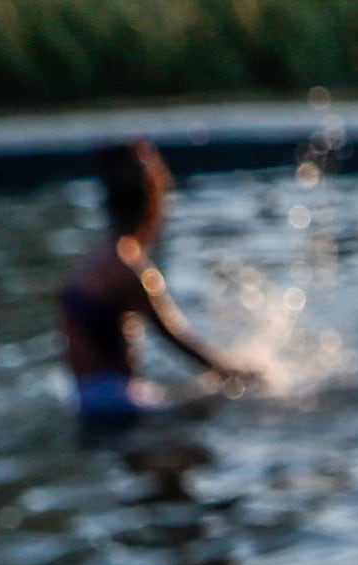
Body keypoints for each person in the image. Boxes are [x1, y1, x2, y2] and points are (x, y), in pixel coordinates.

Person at [55, 138, 252, 430]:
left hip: (84, 399)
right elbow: (174, 336)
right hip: (116, 402)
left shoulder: (94, 257)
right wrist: (233, 373)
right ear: (150, 207)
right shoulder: (129, 269)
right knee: (227, 407)